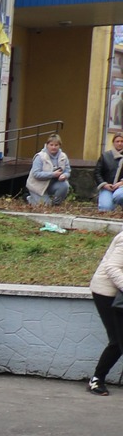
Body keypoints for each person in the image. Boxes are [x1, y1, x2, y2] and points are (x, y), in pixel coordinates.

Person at [86, 227, 123, 393]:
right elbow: (112, 267)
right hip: (107, 293)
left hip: (118, 294)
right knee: (117, 339)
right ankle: (97, 379)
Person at [27, 133, 72, 207]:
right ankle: (29, 199)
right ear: (47, 145)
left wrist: (64, 175)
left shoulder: (63, 156)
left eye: (56, 145)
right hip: (37, 186)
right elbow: (36, 174)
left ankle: (56, 204)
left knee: (65, 185)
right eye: (51, 145)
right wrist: (53, 174)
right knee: (45, 205)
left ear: (59, 145)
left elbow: (67, 171)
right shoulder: (40, 157)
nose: (53, 147)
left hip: (52, 184)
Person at [98, 133, 123, 212]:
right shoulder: (105, 156)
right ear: (113, 143)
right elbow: (97, 173)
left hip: (121, 187)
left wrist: (121, 183)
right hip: (108, 187)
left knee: (119, 196)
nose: (120, 143)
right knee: (105, 208)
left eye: (122, 141)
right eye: (117, 141)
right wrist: (104, 184)